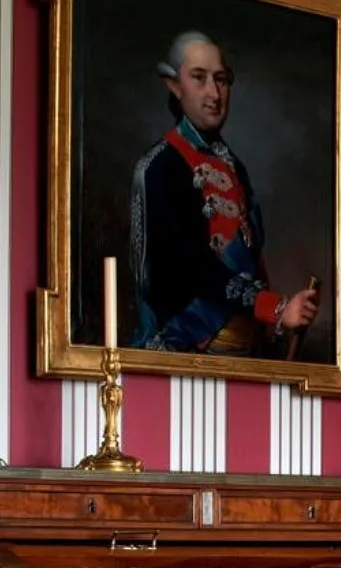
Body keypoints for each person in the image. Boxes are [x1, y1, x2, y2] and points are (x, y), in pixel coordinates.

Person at [128, 30, 318, 354]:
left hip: (243, 353)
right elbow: (191, 267)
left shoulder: (233, 165)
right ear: (173, 85)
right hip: (184, 352)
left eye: (221, 80)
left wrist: (275, 324)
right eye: (199, 78)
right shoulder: (159, 167)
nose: (214, 93)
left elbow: (252, 260)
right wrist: (276, 308)